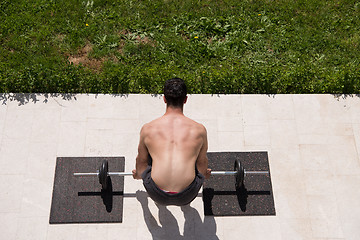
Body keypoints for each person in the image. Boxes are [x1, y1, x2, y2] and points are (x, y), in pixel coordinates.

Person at [132, 78, 211, 206]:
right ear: (185, 100)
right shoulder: (199, 130)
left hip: (157, 194)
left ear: (164, 99)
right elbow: (202, 164)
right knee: (194, 156)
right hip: (187, 195)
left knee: (150, 154)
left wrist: (138, 175)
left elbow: (141, 162)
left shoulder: (148, 129)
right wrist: (204, 175)